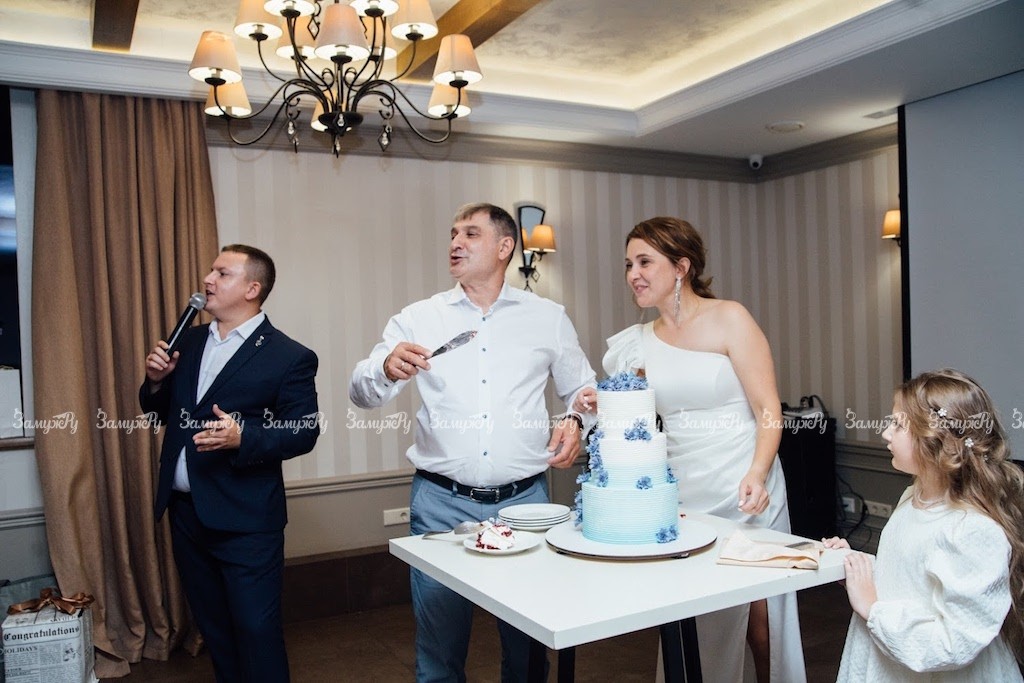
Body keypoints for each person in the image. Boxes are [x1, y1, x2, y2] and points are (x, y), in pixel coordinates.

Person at [349, 202, 596, 682]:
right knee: (439, 652)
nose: (455, 243)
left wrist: (574, 420)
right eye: (453, 234)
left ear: (505, 247)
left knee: (527, 650)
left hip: (525, 506)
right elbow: (362, 393)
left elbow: (583, 390)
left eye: (470, 234)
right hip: (439, 505)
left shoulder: (547, 317)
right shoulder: (418, 317)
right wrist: (383, 368)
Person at [573, 216, 803, 682]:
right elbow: (630, 416)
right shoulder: (637, 343)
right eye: (628, 265)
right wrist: (599, 402)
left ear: (681, 267)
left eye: (644, 262)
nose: (633, 274)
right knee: (697, 614)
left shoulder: (730, 318)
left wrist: (758, 473)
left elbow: (768, 409)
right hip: (685, 489)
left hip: (745, 480)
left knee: (762, 621)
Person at [140, 244, 320, 683]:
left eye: (222, 273)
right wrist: (155, 383)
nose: (208, 279)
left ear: (252, 289)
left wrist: (245, 437)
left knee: (256, 632)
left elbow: (304, 431)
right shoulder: (189, 340)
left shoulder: (288, 355)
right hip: (186, 514)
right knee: (216, 630)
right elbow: (161, 412)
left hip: (246, 520)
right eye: (211, 271)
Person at [824, 369, 1024, 681]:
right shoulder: (913, 497)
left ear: (936, 440)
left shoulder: (972, 530)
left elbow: (953, 644)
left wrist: (873, 608)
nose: (885, 434)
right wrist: (858, 569)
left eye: (897, 424)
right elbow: (913, 579)